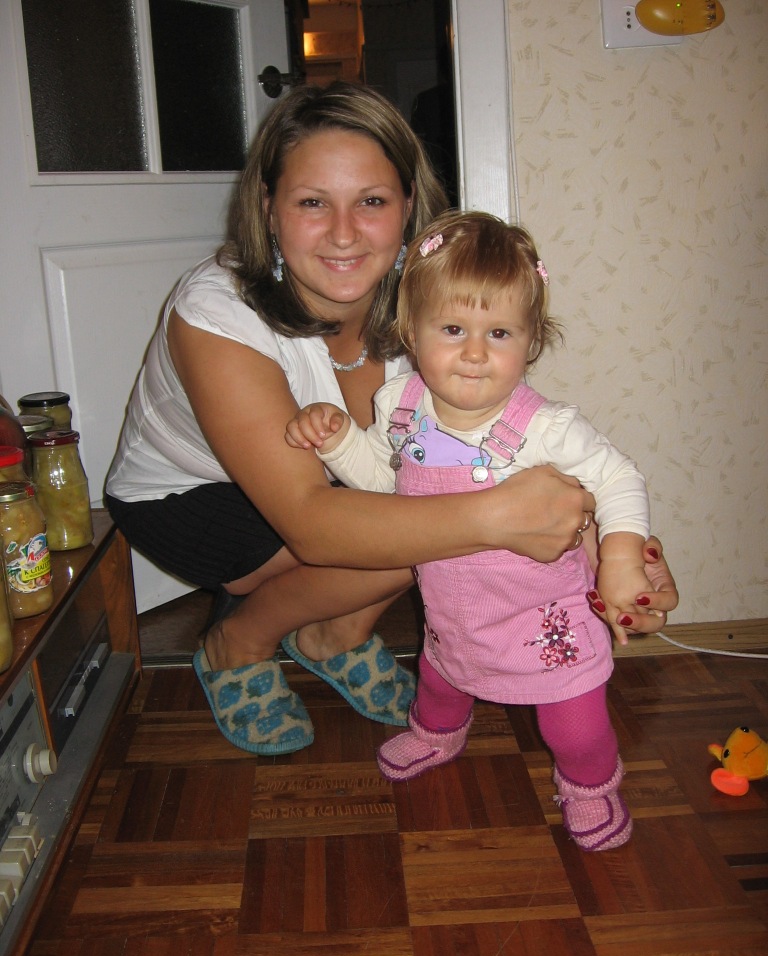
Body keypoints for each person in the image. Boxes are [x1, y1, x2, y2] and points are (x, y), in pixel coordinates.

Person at [105, 82, 677, 762]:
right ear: (267, 208)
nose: (344, 233)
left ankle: (334, 634)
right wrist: (498, 518)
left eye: (371, 201)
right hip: (189, 498)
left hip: (338, 477)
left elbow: (507, 442)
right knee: (437, 529)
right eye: (312, 202)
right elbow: (314, 523)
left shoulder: (432, 296)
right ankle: (238, 641)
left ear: (407, 206)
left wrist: (615, 549)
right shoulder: (216, 312)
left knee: (444, 502)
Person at [285, 211, 665, 850]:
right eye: (454, 329)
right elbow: (383, 481)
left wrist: (622, 557)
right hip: (453, 610)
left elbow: (618, 477)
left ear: (531, 341)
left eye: (500, 333)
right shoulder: (399, 405)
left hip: (546, 621)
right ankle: (436, 733)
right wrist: (339, 440)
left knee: (574, 727)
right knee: (440, 679)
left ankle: (590, 785)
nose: (475, 352)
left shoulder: (546, 427)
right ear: (412, 330)